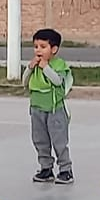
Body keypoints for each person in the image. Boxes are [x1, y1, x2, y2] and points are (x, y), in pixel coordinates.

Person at [23, 27, 75, 184]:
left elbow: (57, 81)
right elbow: (24, 82)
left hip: (55, 110)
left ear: (54, 49)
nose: (38, 50)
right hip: (37, 109)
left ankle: (65, 170)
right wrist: (30, 68)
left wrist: (45, 67)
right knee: (40, 140)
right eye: (36, 46)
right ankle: (46, 168)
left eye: (43, 47)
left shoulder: (58, 64)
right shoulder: (35, 65)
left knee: (59, 141)